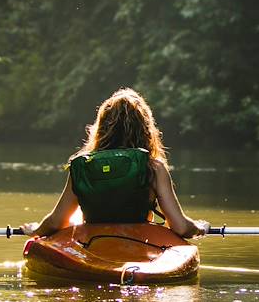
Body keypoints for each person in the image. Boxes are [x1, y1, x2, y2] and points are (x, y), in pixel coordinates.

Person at [21, 88, 209, 238]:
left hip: (92, 244)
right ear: (145, 129)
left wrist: (36, 230)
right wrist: (199, 227)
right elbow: (181, 227)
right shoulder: (153, 168)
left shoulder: (83, 167)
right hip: (141, 243)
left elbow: (56, 222)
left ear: (101, 127)